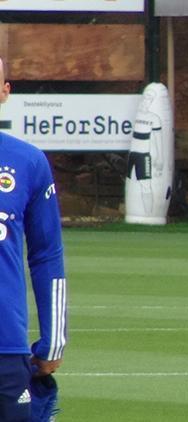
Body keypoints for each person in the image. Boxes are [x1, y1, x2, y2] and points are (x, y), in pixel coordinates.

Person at [0, 57, 66, 420]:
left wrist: (54, 339)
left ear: (5, 92)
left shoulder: (27, 161)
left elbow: (46, 254)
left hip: (5, 345)